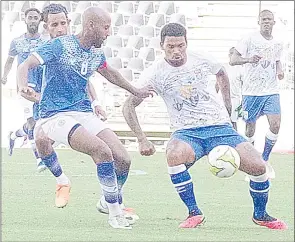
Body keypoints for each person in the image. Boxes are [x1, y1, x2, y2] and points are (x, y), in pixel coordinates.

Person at [122, 23, 287, 230]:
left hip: (219, 127)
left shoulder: (201, 58)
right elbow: (128, 105)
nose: (176, 52)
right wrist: (141, 138)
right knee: (173, 154)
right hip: (186, 133)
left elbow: (221, 72)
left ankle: (261, 215)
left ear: (186, 43)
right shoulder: (154, 73)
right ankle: (193, 212)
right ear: (161, 45)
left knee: (259, 167)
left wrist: (228, 107)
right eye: (171, 47)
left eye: (180, 46)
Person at [17, 6, 153, 229]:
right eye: (106, 27)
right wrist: (23, 86)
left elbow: (110, 73)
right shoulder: (60, 45)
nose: (109, 32)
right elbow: (25, 65)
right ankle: (115, 213)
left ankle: (106, 200)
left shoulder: (96, 53)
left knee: (123, 159)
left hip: (82, 111)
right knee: (102, 151)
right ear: (91, 25)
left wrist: (135, 90)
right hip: (54, 115)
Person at [230, 10, 284, 179]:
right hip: (251, 92)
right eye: (263, 20)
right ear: (259, 22)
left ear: (274, 22)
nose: (266, 22)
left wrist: (280, 70)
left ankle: (265, 160)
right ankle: (253, 162)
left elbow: (277, 60)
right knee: (250, 128)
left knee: (275, 125)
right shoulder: (249, 38)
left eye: (269, 19)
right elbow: (233, 59)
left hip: (271, 91)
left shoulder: (278, 42)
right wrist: (248, 59)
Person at [2, 7, 48, 172]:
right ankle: (39, 159)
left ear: (40, 20)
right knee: (32, 122)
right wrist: (4, 76)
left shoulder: (46, 42)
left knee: (37, 123)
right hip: (24, 88)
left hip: (42, 88)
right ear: (25, 19)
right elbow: (9, 60)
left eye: (36, 17)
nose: (33, 20)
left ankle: (14, 135)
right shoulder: (17, 42)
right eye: (30, 17)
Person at [226, 47, 243, 131]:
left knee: (233, 121)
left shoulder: (241, 69)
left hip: (235, 99)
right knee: (222, 121)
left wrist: (243, 102)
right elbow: (217, 84)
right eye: (232, 53)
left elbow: (244, 86)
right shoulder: (224, 67)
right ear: (229, 55)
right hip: (223, 99)